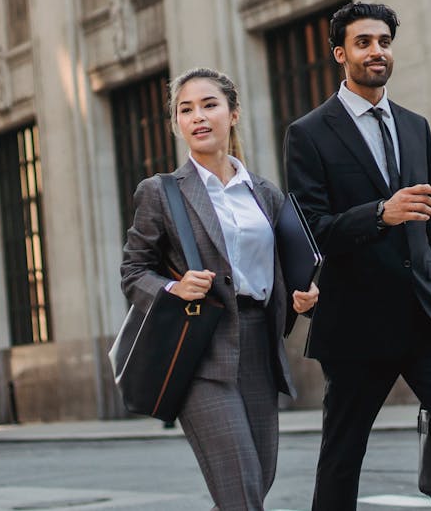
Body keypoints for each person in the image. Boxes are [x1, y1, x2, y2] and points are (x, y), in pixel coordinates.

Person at [284, 2, 431, 510]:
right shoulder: (308, 134)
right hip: (357, 323)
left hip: (429, 320)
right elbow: (313, 231)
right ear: (340, 53)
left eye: (384, 42)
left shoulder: (416, 126)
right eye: (364, 42)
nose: (376, 51)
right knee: (343, 455)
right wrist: (380, 214)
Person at [121, 67, 319, 510]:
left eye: (209, 105)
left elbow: (280, 271)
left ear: (232, 114)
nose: (198, 117)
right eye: (186, 110)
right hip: (201, 353)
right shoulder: (162, 193)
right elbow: (133, 272)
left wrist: (301, 298)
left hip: (260, 349)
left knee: (257, 482)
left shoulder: (265, 194)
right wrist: (174, 288)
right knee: (241, 487)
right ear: (176, 124)